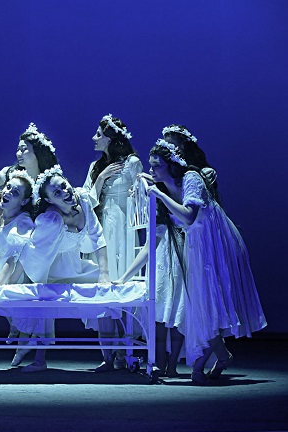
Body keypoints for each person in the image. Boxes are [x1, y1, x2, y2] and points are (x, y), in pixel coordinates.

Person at [144, 138, 266, 384]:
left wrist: (158, 194)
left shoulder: (191, 178)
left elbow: (189, 217)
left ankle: (202, 365)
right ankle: (221, 356)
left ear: (171, 165)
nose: (152, 170)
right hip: (195, 248)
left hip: (212, 247)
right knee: (198, 306)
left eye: (156, 165)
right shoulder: (166, 186)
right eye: (151, 165)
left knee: (208, 304)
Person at [15, 165, 110, 372]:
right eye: (57, 193)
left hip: (74, 264)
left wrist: (104, 274)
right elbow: (33, 252)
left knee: (107, 288)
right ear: (49, 200)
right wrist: (14, 279)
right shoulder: (51, 218)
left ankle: (112, 357)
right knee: (44, 300)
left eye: (64, 186)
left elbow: (97, 236)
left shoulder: (82, 199)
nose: (65, 192)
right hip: (50, 267)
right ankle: (39, 359)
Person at [82, 114, 143, 372]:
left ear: (110, 138)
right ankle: (107, 355)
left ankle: (125, 352)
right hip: (102, 225)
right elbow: (86, 199)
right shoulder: (95, 166)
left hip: (123, 227)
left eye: (99, 134)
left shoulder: (132, 163)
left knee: (121, 285)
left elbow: (141, 196)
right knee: (102, 288)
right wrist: (100, 179)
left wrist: (135, 192)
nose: (94, 138)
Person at [113, 174, 187, 378]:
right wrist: (125, 277)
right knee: (159, 316)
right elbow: (147, 249)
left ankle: (172, 365)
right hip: (162, 266)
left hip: (181, 263)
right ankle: (161, 363)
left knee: (177, 314)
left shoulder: (174, 203)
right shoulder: (156, 215)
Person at [0, 169, 35, 351]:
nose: (8, 192)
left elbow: (13, 256)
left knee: (7, 299)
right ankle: (13, 323)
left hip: (10, 269)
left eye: (15, 192)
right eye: (8, 187)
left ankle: (18, 327)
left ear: (23, 201)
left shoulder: (23, 222)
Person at [0, 122, 59, 194]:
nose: (18, 153)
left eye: (23, 149)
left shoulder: (53, 180)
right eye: (18, 149)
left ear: (38, 152)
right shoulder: (10, 173)